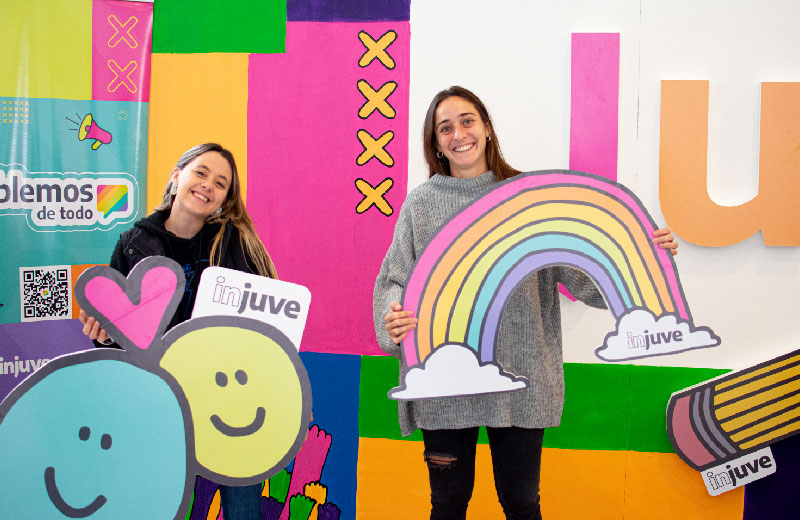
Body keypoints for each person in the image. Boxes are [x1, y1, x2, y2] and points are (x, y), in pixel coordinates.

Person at [373, 86, 679, 520]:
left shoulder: (529, 196)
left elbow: (576, 272)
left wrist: (643, 257)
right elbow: (393, 279)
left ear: (487, 128)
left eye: (467, 121)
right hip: (441, 379)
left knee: (520, 503)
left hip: (521, 373)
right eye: (445, 127)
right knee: (447, 504)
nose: (458, 133)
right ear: (435, 143)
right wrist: (393, 314)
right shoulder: (420, 205)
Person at [79, 142, 276, 520]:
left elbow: (267, 319)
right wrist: (102, 332)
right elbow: (117, 336)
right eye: (200, 172)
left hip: (229, 394)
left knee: (243, 504)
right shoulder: (133, 243)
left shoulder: (237, 243)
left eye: (220, 183)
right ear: (177, 175)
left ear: (223, 199)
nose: (207, 186)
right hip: (158, 400)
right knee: (157, 503)